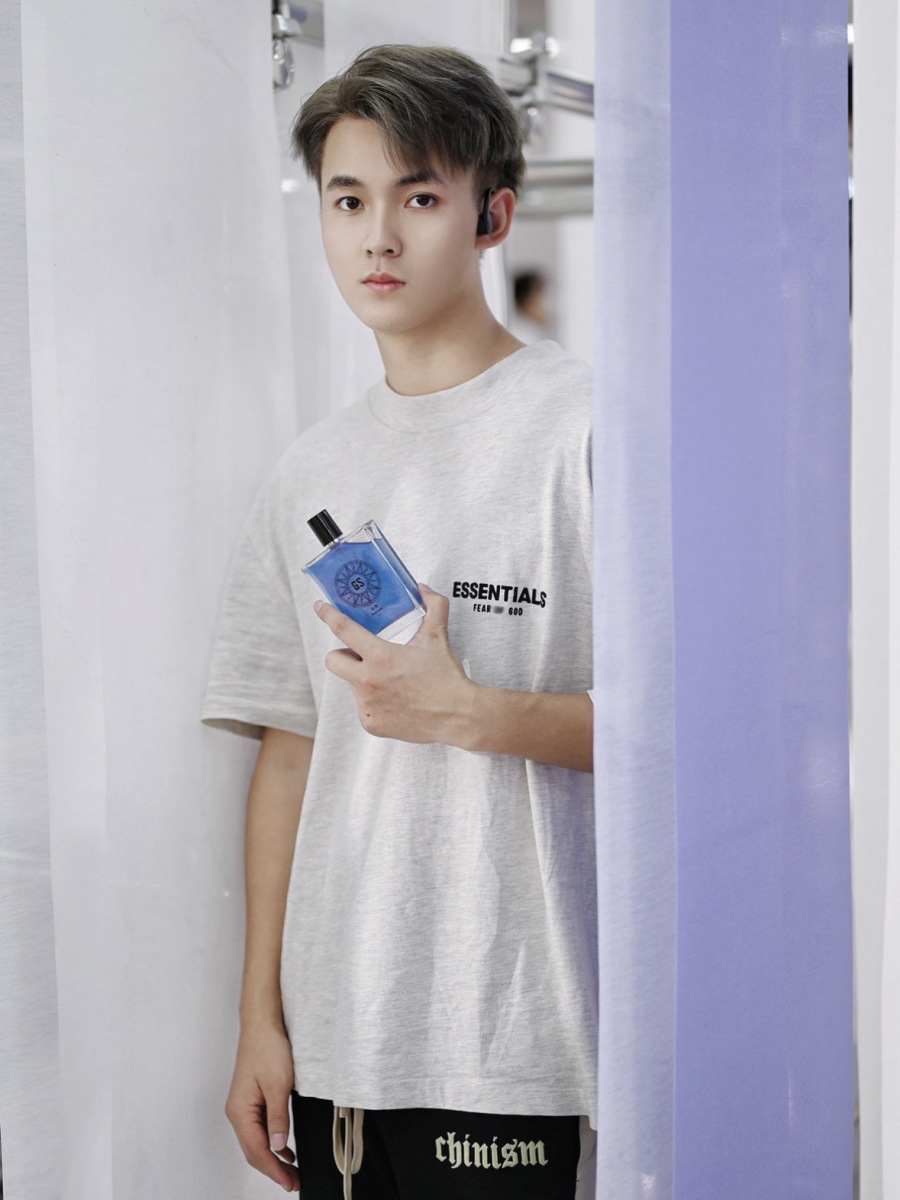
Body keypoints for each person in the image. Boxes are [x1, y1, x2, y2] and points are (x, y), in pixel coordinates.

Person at [200, 42, 597, 1200]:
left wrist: (471, 713)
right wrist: (260, 1018)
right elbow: (291, 755)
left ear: (493, 216)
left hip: (521, 1038)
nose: (377, 237)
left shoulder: (588, 430)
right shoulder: (306, 474)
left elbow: (690, 735)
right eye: (348, 200)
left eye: (419, 199)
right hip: (340, 1043)